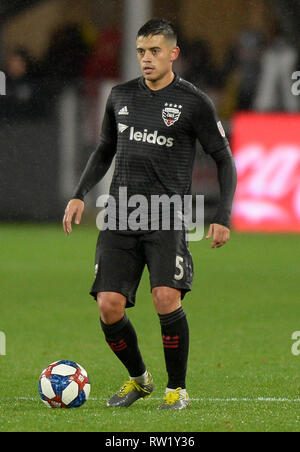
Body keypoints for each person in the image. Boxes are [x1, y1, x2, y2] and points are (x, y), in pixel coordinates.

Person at [63, 18, 237, 410]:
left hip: (167, 216)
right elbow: (105, 147)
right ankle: (140, 380)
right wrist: (79, 194)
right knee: (109, 306)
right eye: (141, 51)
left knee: (165, 298)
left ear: (173, 53)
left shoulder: (194, 102)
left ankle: (178, 390)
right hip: (120, 214)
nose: (146, 59)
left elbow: (224, 160)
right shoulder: (120, 95)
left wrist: (223, 215)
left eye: (155, 51)